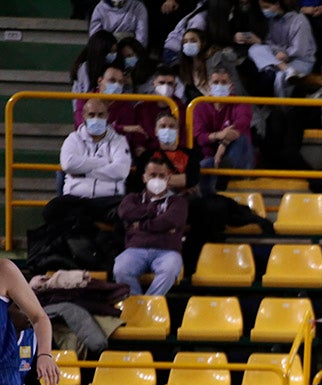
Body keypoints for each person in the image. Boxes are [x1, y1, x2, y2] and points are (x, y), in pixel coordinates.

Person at [42, 98, 131, 232]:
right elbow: (68, 165)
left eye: (101, 114)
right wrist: (105, 162)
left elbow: (121, 171)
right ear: (84, 116)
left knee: (127, 210)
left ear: (108, 116)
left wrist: (84, 172)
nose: (96, 118)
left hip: (109, 200)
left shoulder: (119, 141)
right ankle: (90, 225)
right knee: (52, 210)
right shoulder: (73, 139)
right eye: (91, 114)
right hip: (77, 199)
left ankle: (86, 224)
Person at [113, 157, 187, 296]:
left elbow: (171, 221)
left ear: (168, 178)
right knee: (120, 269)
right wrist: (153, 212)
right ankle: (138, 303)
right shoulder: (132, 199)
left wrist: (140, 225)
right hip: (136, 249)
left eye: (161, 175)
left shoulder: (178, 202)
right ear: (144, 178)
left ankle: (148, 305)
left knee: (170, 269)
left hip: (167, 251)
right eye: (153, 175)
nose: (157, 179)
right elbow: (125, 213)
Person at [192, 67, 254, 195]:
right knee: (202, 167)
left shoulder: (241, 102)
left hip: (240, 158)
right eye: (215, 82)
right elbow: (199, 136)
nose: (219, 86)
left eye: (224, 82)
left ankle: (224, 171)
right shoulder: (199, 105)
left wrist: (223, 144)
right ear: (209, 86)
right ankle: (209, 198)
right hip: (211, 158)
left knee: (241, 138)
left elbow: (242, 123)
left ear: (231, 86)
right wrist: (219, 135)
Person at [245, 0, 316, 97]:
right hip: (280, 60)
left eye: (266, 7)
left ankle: (283, 110)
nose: (264, 11)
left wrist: (284, 53)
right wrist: (275, 51)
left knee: (280, 77)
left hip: (300, 60)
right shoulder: (272, 21)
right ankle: (285, 68)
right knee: (254, 49)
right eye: (262, 8)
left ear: (277, 5)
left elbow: (300, 49)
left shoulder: (299, 20)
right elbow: (270, 43)